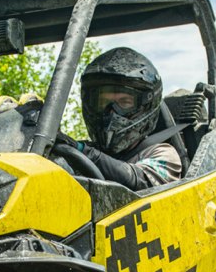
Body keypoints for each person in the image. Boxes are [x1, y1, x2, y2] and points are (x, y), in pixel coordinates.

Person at [64, 47, 183, 190]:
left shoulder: (163, 154)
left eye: (124, 103)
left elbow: (140, 181)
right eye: (103, 103)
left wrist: (84, 152)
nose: (112, 112)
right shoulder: (77, 152)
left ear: (146, 105)